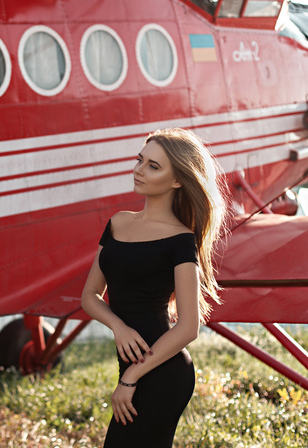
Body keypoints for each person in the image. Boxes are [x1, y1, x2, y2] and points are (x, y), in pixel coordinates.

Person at [80, 128, 227, 447]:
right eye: (140, 160)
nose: (138, 170)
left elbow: (189, 327)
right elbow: (89, 296)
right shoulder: (119, 223)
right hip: (133, 369)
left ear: (177, 180)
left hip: (163, 373)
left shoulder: (181, 240)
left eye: (153, 166)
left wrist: (130, 377)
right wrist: (118, 327)